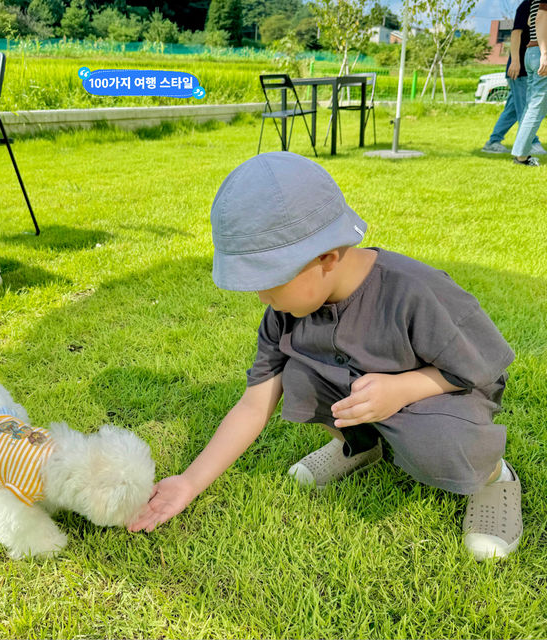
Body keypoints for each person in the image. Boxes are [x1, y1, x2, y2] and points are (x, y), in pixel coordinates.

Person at [129, 152, 523, 561]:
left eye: (269, 282)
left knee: (438, 443)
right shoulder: (284, 314)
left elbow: (481, 368)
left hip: (444, 394)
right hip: (366, 397)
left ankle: (494, 478)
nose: (263, 298)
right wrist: (190, 482)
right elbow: (253, 405)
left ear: (326, 258)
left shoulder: (415, 290)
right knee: (298, 376)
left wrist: (404, 387)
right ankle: (360, 446)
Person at [482, 0, 545, 155]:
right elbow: (516, 33)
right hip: (520, 68)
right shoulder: (526, 6)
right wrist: (515, 61)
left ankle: (493, 141)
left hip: (526, 65)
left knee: (512, 109)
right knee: (527, 107)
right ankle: (531, 143)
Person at [511, 0, 547, 165]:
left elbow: (531, 20)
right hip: (539, 52)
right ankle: (521, 156)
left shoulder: (533, 1)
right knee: (536, 107)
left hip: (531, 52)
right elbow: (540, 19)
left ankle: (520, 152)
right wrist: (545, 53)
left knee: (531, 106)